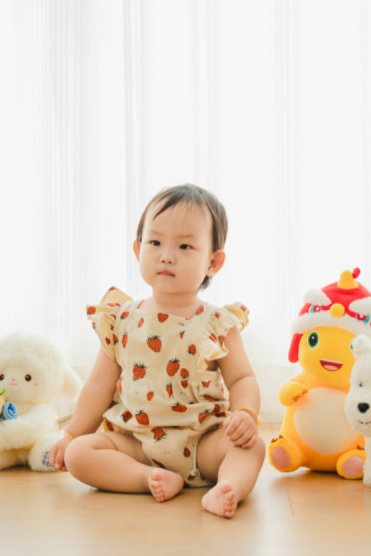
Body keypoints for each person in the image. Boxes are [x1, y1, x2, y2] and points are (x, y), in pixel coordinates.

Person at [50, 184, 265, 518]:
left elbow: (242, 379)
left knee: (251, 447)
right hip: (135, 443)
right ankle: (146, 477)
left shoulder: (218, 323)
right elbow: (98, 386)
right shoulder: (121, 319)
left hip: (202, 442)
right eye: (155, 242)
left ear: (213, 262)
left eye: (184, 246)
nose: (166, 255)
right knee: (79, 453)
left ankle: (228, 486)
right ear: (138, 250)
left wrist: (246, 415)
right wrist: (72, 433)